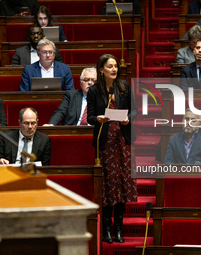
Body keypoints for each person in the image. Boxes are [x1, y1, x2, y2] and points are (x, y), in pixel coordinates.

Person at [87, 54, 138, 243]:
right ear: (101, 70)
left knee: (123, 183)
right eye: (110, 66)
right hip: (105, 142)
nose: (114, 69)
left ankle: (119, 230)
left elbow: (135, 111)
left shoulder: (124, 87)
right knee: (109, 184)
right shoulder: (94, 91)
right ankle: (106, 230)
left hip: (123, 141)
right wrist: (98, 118)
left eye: (115, 66)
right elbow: (91, 116)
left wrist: (128, 119)